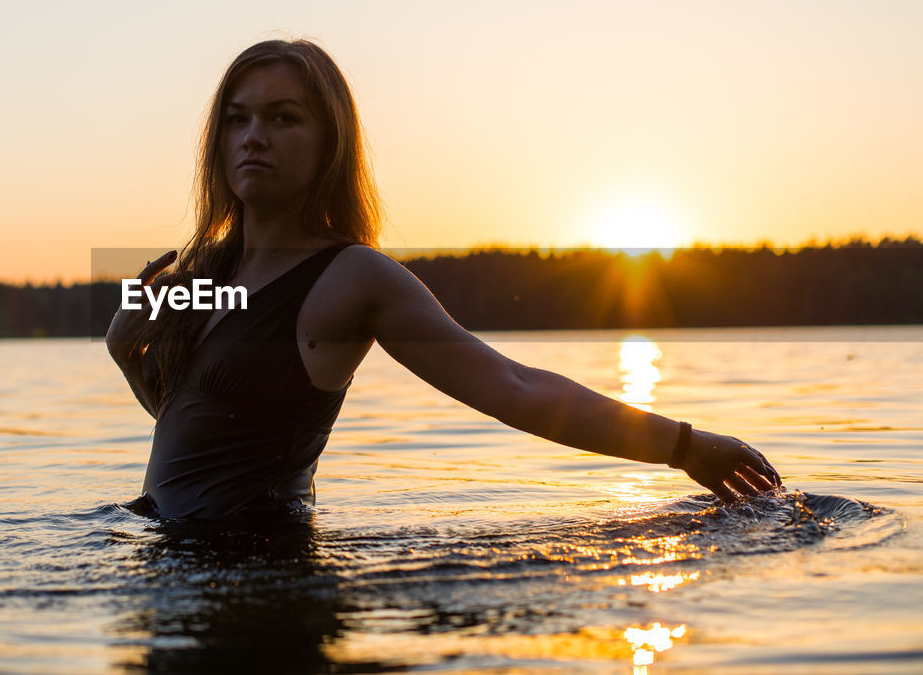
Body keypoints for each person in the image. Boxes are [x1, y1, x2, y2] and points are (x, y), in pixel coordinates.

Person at [106, 39, 782, 520]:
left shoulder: (352, 279)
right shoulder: (201, 271)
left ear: (329, 142)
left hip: (258, 589)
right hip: (164, 569)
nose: (254, 136)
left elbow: (513, 387)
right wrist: (126, 356)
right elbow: (204, 427)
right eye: (237, 118)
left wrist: (686, 445)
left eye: (283, 118)